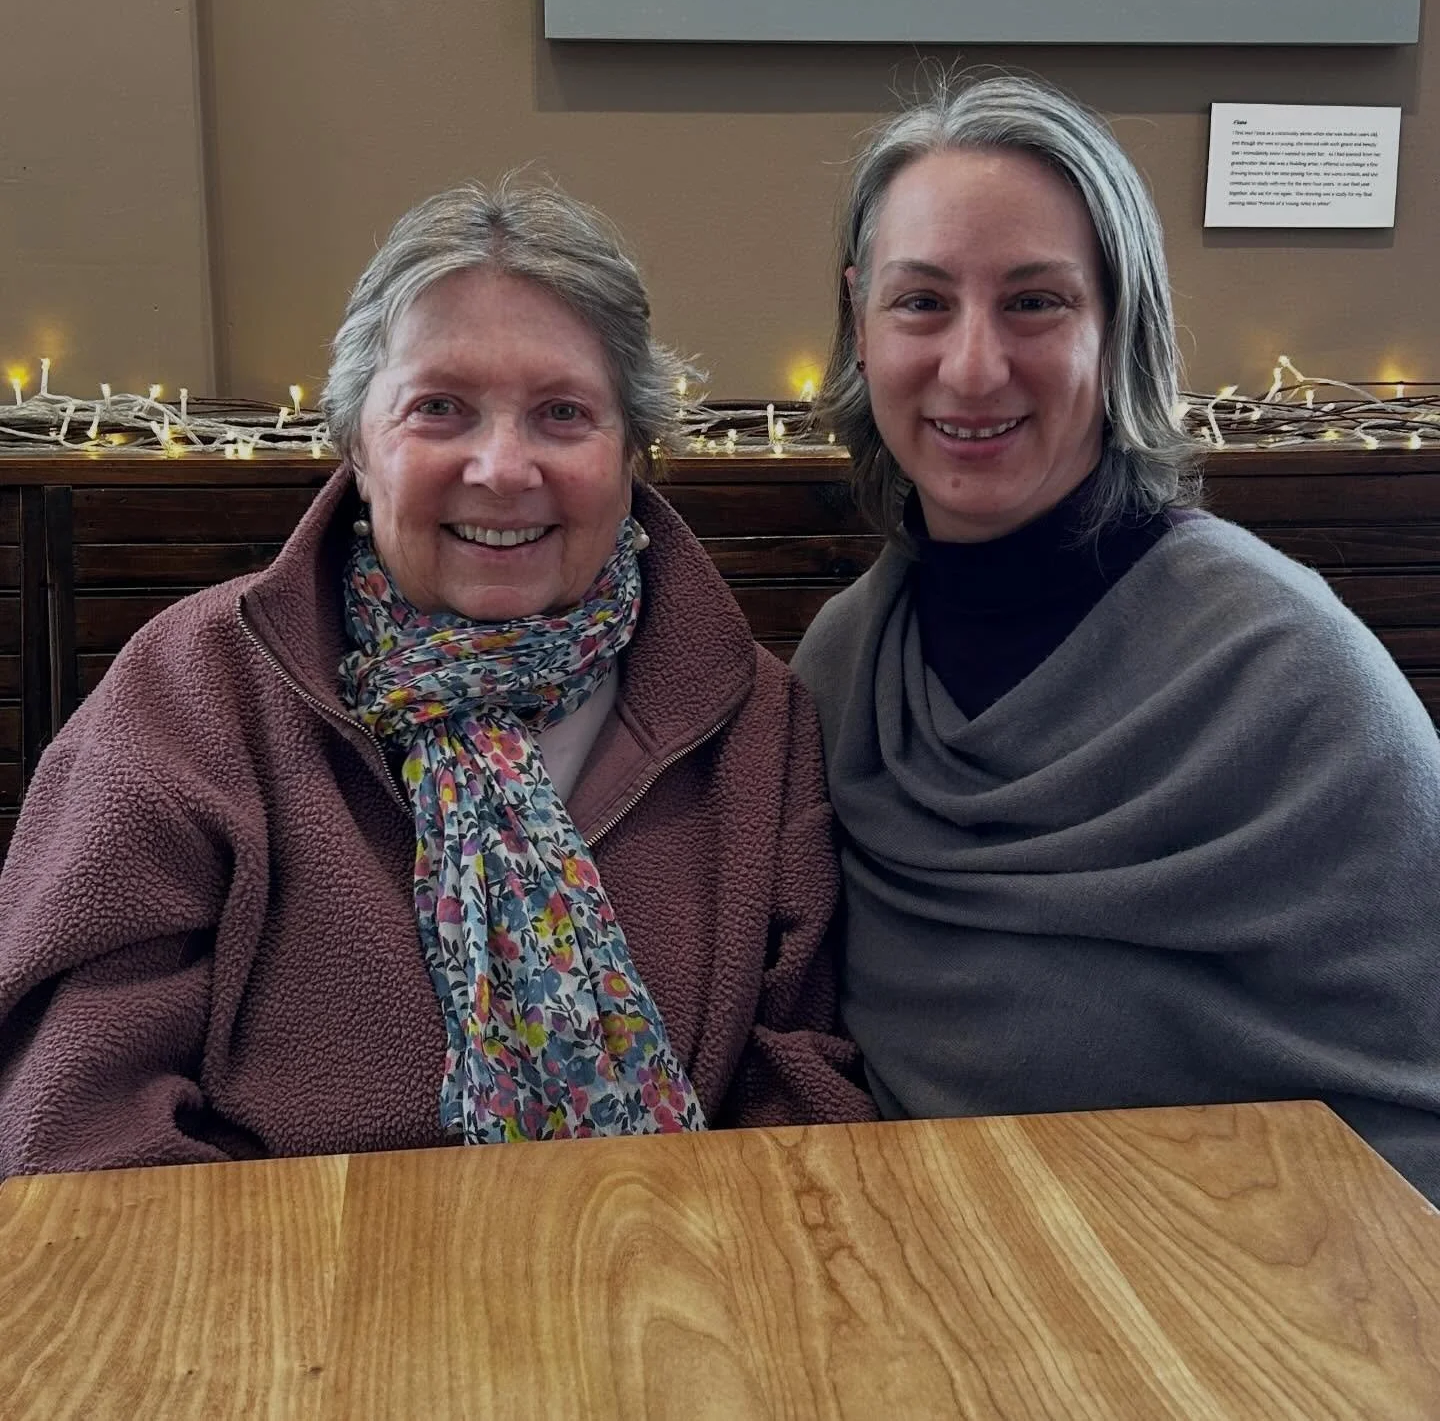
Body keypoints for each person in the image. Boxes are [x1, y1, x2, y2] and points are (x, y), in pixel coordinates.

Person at [0, 179, 872, 1174]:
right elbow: (74, 1127)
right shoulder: (187, 693)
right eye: (439, 409)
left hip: (666, 1293)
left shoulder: (756, 719)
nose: (502, 467)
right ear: (359, 450)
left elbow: (802, 1102)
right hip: (286, 1308)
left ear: (633, 450)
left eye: (562, 413)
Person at [792, 74, 1440, 1203]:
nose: (974, 367)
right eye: (922, 302)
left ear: (1118, 318)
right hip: (912, 1292)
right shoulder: (843, 670)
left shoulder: (1296, 676)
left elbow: (1412, 1117)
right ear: (860, 319)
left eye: (1035, 302)